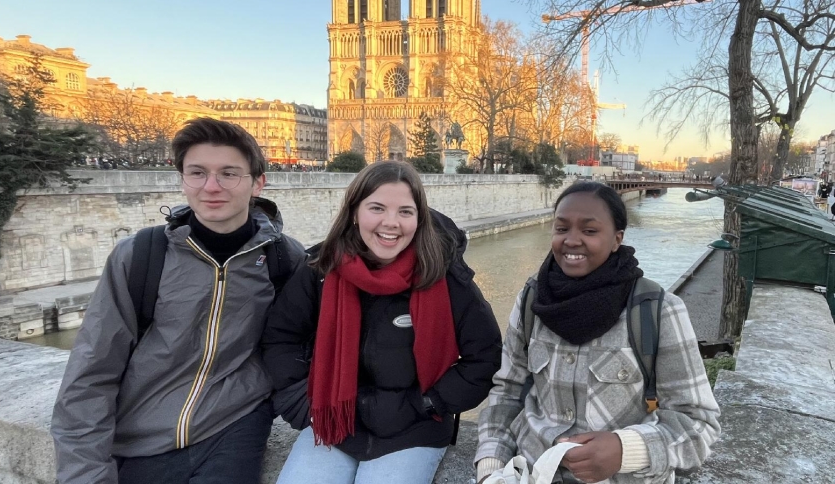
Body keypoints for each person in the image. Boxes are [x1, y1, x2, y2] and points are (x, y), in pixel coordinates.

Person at [51, 117, 307, 484]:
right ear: (182, 180)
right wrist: (85, 474)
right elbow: (91, 373)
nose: (211, 187)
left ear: (257, 183)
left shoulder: (284, 258)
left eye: (229, 174)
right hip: (139, 439)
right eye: (197, 173)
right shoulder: (140, 255)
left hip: (234, 427)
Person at [263, 161, 502, 484]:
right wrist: (302, 402)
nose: (391, 223)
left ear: (419, 218)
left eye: (405, 211)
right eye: (377, 208)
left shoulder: (445, 275)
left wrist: (427, 403)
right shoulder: (320, 269)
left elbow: (484, 357)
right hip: (333, 422)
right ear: (354, 212)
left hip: (414, 427)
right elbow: (281, 338)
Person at [475, 181, 720, 484]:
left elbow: (699, 424)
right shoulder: (531, 300)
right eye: (561, 229)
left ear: (617, 239)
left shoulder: (658, 311)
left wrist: (624, 450)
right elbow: (507, 394)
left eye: (589, 231)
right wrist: (490, 468)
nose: (571, 240)